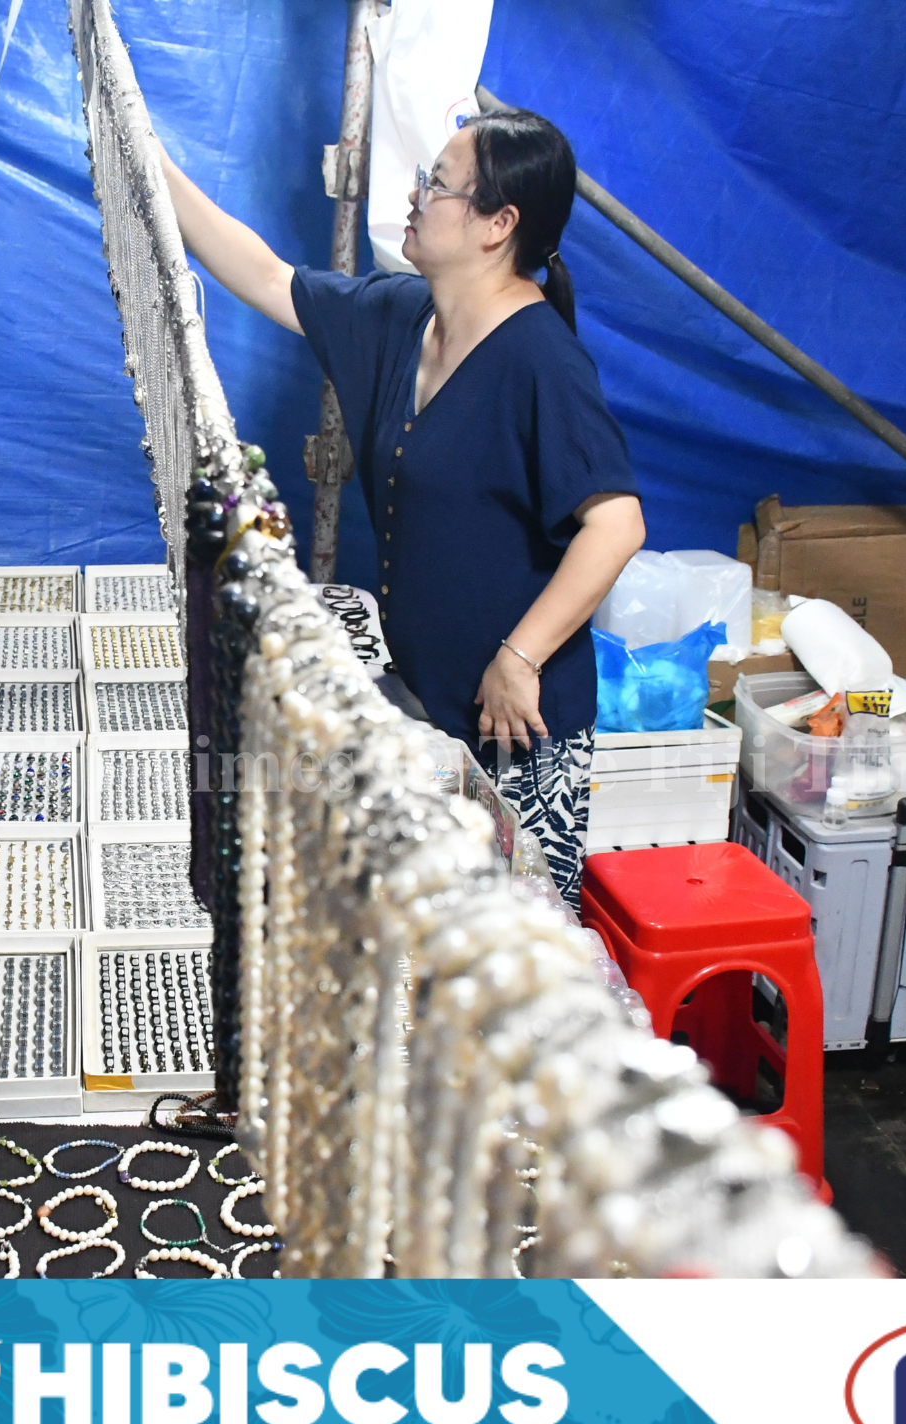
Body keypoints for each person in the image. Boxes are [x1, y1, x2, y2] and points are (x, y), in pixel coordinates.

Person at [162, 110, 647, 906]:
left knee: (502, 950)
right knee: (422, 946)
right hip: (431, 709)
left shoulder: (540, 360)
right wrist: (154, 165)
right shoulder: (401, 317)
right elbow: (270, 279)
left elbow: (617, 523)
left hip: (514, 728)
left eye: (437, 184)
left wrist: (519, 659)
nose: (415, 196)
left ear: (497, 224)